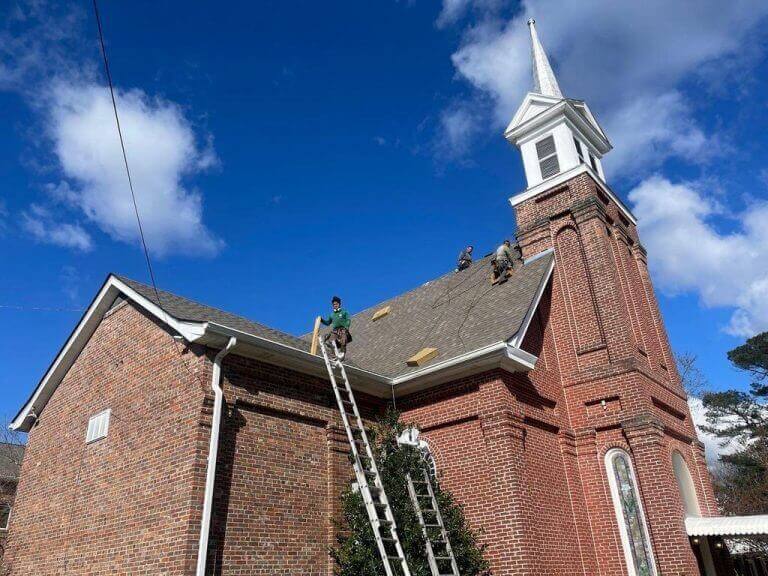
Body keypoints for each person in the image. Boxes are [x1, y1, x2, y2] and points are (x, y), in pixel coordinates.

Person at [321, 296, 352, 360]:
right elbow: (328, 323)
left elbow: (348, 320)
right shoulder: (332, 314)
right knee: (330, 341)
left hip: (343, 329)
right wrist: (322, 320)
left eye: (336, 304)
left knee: (343, 338)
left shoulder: (344, 312)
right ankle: (333, 355)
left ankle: (342, 352)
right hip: (335, 330)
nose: (335, 305)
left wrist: (346, 327)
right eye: (334, 304)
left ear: (339, 304)